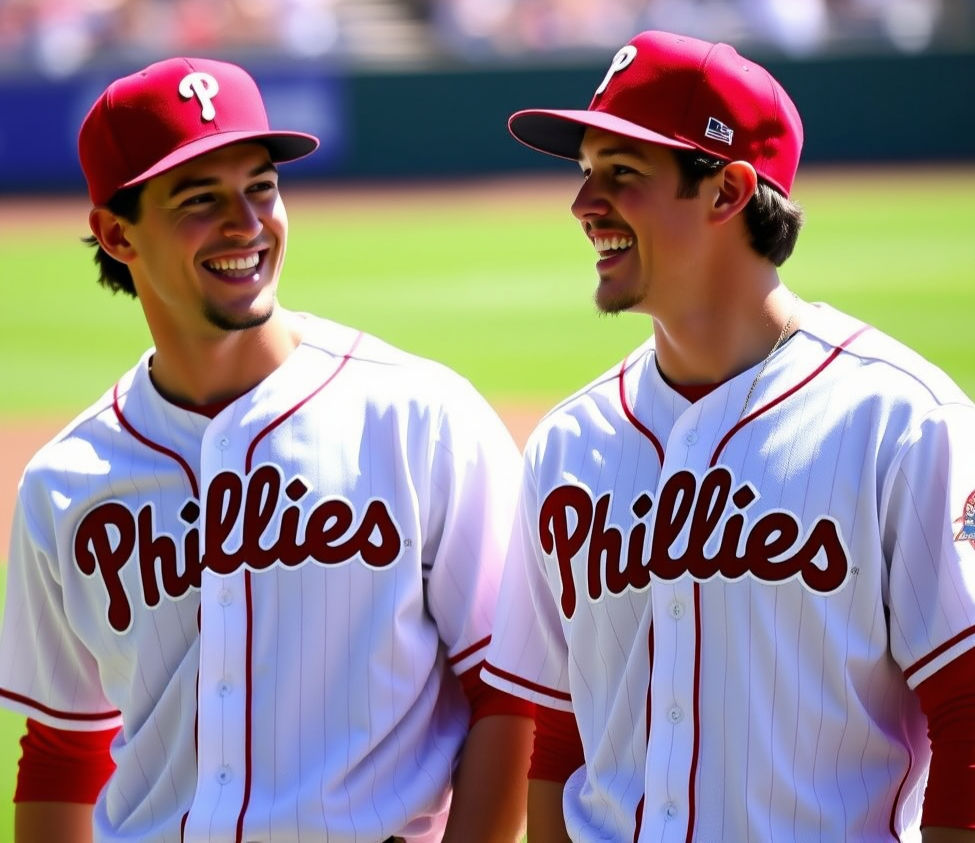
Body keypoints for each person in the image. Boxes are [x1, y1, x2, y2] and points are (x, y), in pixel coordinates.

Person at [0, 56, 534, 843]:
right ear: (116, 233)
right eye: (199, 199)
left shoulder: (419, 417)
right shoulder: (65, 483)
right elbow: (62, 750)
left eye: (261, 187)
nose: (246, 223)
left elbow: (511, 689)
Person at [481, 29, 975, 843]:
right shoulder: (571, 442)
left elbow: (965, 706)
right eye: (584, 173)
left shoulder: (900, 420)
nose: (583, 204)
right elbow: (559, 729)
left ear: (727, 190)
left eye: (622, 174)